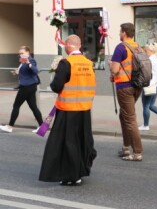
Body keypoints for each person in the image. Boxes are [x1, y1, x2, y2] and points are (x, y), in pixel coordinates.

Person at [39, 35, 97, 185]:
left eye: (65, 44)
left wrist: (55, 73)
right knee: (81, 141)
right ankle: (79, 172)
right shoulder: (89, 63)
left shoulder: (66, 63)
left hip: (68, 110)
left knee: (67, 143)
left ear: (68, 45)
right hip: (84, 110)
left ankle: (70, 175)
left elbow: (56, 86)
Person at [109, 23, 143, 161]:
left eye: (120, 31)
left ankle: (137, 152)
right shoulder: (138, 47)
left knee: (129, 119)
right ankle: (125, 147)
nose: (119, 34)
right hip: (137, 86)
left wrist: (111, 65)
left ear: (124, 33)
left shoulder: (120, 47)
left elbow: (115, 70)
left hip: (124, 86)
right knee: (124, 116)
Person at [0, 46, 43, 133]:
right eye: (19, 53)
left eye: (22, 53)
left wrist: (29, 64)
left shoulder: (31, 60)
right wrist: (16, 72)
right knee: (33, 107)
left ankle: (9, 126)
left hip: (27, 87)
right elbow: (24, 72)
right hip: (29, 86)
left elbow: (35, 71)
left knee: (16, 105)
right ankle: (42, 127)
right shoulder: (22, 61)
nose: (20, 55)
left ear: (28, 53)